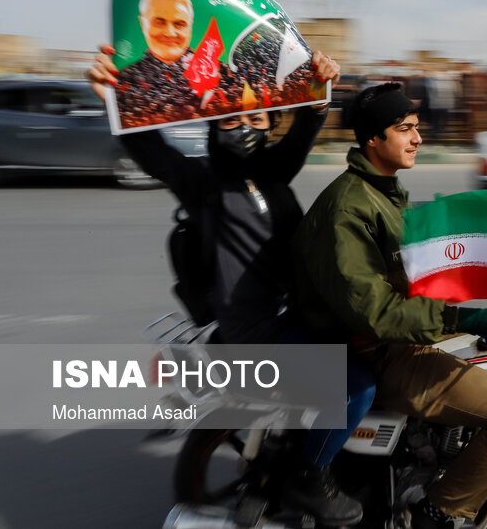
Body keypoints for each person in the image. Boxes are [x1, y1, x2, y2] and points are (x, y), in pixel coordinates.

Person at [88, 46, 374, 527]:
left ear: (268, 126)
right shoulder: (203, 184)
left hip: (292, 315)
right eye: (229, 119)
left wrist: (319, 88)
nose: (244, 127)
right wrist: (116, 98)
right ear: (212, 125)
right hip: (257, 333)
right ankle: (311, 476)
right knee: (358, 385)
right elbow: (150, 149)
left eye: (256, 118)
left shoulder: (273, 176)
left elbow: (304, 127)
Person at [293, 83, 487, 529]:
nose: (418, 138)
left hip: (400, 334)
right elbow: (374, 311)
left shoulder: (382, 190)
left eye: (417, 128)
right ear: (373, 138)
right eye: (405, 128)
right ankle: (438, 511)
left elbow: (411, 269)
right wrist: (459, 316)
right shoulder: (348, 208)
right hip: (382, 351)